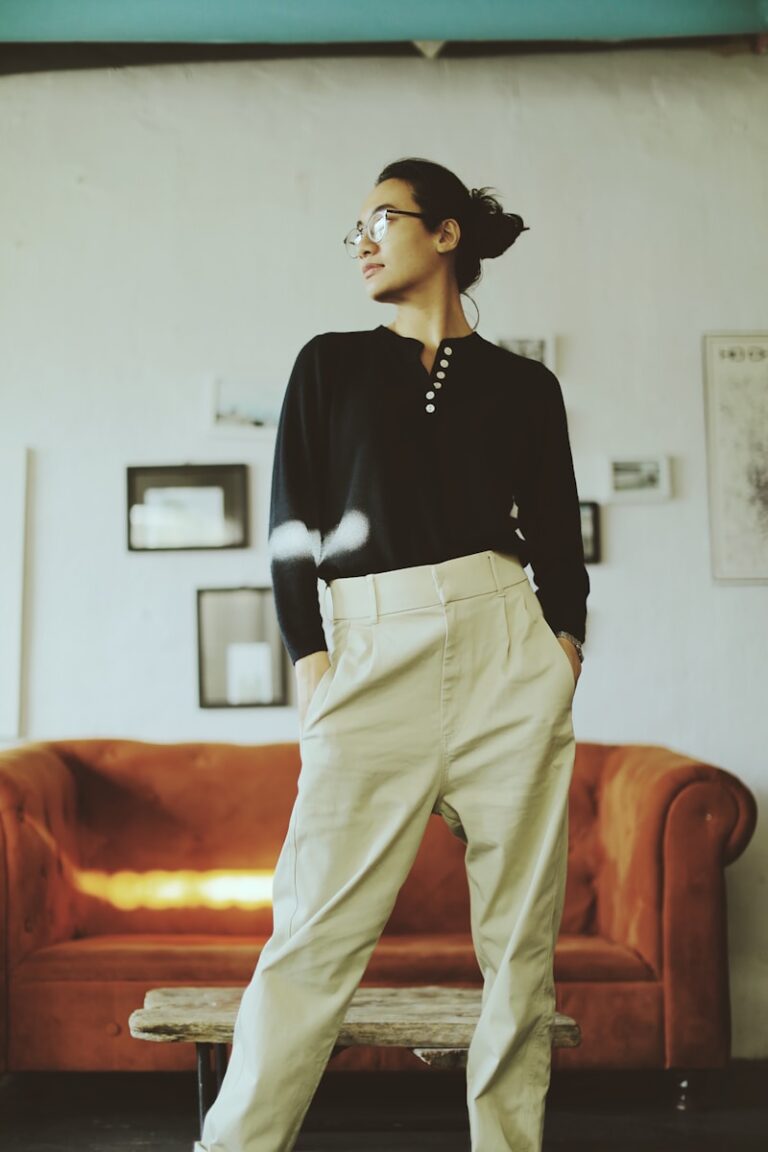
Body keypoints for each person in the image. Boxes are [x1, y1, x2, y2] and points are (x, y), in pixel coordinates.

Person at [196, 156, 589, 1152]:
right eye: (355, 229)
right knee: (312, 939)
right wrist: (311, 660)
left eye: (382, 218)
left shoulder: (525, 386)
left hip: (507, 649)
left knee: (519, 947)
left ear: (445, 234)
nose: (364, 240)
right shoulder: (329, 362)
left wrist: (563, 648)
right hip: (370, 649)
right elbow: (292, 527)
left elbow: (554, 532)